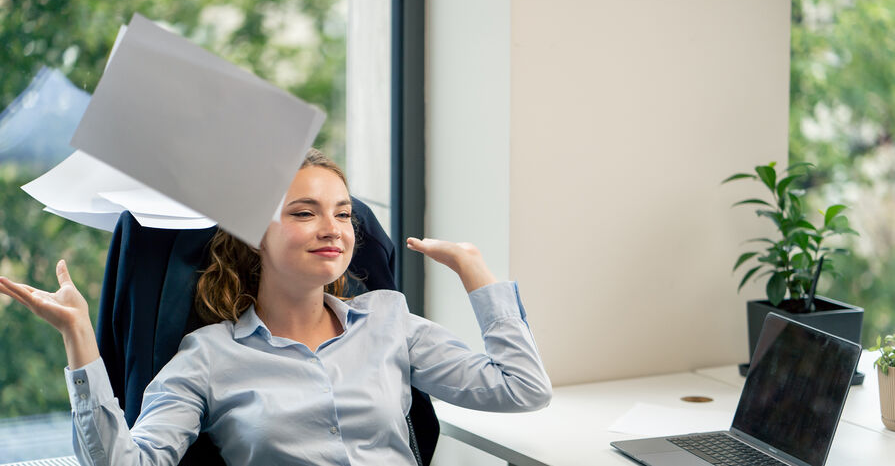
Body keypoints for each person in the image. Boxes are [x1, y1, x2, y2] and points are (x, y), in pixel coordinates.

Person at [0, 149, 552, 466]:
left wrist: (475, 272)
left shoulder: (389, 322)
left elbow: (523, 389)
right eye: (305, 213)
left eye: (343, 213)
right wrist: (78, 338)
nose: (333, 229)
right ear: (255, 234)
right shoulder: (207, 357)